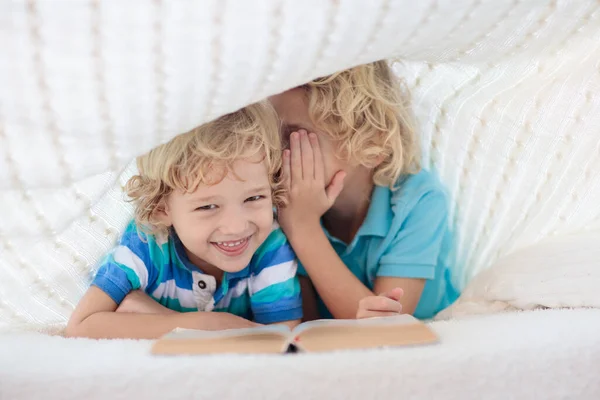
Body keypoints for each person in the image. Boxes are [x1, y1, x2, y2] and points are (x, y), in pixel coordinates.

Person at [66, 102, 302, 339]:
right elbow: (80, 326)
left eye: (254, 197)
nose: (237, 226)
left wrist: (161, 317)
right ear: (161, 207)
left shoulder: (269, 245)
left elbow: (281, 339)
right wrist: (209, 324)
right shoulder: (147, 243)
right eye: (208, 206)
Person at [270, 60, 459, 321]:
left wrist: (302, 227)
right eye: (270, 135)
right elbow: (305, 324)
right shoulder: (278, 205)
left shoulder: (419, 200)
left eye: (294, 136)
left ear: (372, 142)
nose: (272, 154)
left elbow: (386, 323)